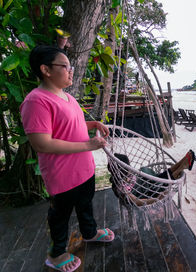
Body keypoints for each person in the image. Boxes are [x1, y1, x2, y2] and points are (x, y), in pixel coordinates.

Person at [20, 45, 114, 272]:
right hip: (62, 175)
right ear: (46, 70)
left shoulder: (68, 98)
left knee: (85, 206)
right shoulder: (36, 101)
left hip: (84, 169)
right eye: (65, 66)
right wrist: (88, 145)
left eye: (70, 66)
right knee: (60, 217)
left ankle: (89, 233)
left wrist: (92, 125)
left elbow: (71, 125)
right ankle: (56, 254)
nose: (71, 71)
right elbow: (41, 142)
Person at [108, 150, 195, 206]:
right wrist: (157, 199)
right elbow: (136, 201)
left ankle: (180, 164)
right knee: (159, 184)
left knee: (154, 176)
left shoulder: (126, 175)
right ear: (123, 171)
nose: (130, 168)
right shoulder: (121, 188)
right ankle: (181, 167)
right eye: (128, 167)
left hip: (146, 184)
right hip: (146, 194)